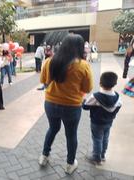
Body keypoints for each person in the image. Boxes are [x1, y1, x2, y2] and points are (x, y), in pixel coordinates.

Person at [38, 34, 93, 175]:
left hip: (50, 103)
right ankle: (70, 164)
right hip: (72, 107)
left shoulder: (49, 61)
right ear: (80, 48)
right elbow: (87, 89)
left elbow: (44, 81)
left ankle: (44, 156)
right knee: (71, 134)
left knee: (53, 128)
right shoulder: (83, 65)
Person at [83, 72, 122, 165]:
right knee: (105, 138)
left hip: (96, 123)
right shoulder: (117, 98)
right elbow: (117, 108)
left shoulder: (96, 96)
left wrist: (83, 101)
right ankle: (102, 155)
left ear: (100, 83)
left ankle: (96, 158)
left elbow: (85, 107)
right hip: (108, 122)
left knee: (97, 139)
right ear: (115, 84)